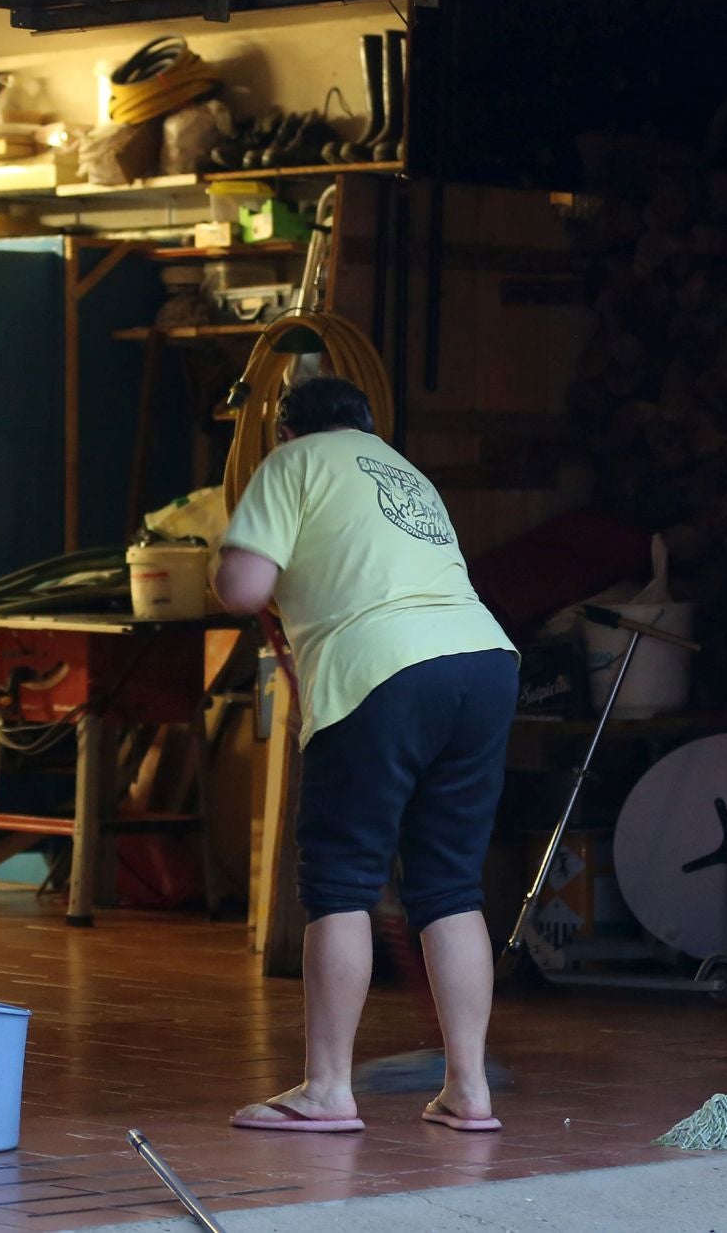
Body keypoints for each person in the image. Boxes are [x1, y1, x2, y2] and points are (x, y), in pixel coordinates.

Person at [213, 375, 518, 1134]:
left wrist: (230, 564)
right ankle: (470, 1090)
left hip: (380, 671)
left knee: (341, 880)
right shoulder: (398, 468)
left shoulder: (292, 462)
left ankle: (326, 1091)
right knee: (449, 883)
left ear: (287, 432)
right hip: (484, 663)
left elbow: (244, 586)